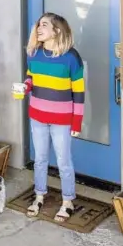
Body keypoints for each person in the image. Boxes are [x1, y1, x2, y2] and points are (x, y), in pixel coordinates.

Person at [21, 13, 85, 224]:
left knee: (63, 161)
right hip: (37, 115)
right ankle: (39, 196)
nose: (39, 28)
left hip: (62, 120)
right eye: (38, 25)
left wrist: (77, 122)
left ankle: (68, 202)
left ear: (57, 30)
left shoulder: (71, 57)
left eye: (44, 25)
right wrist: (25, 87)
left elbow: (79, 93)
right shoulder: (34, 53)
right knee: (40, 159)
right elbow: (31, 77)